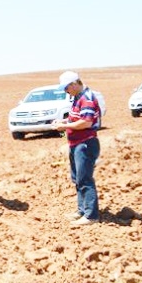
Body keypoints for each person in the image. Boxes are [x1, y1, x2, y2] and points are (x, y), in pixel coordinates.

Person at [52, 71, 102, 226]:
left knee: (85, 178)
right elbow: (76, 118)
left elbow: (85, 123)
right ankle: (82, 210)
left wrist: (64, 126)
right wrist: (64, 121)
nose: (66, 92)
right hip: (75, 144)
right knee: (77, 179)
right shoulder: (77, 97)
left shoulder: (87, 99)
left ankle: (91, 215)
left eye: (67, 88)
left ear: (74, 84)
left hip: (85, 144)